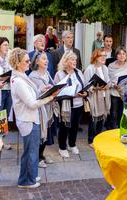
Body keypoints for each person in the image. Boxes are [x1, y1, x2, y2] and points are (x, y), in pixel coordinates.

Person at [9, 48, 59, 188]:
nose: (29, 62)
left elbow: (32, 95)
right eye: (26, 61)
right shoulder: (18, 80)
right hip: (28, 119)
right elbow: (31, 103)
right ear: (17, 63)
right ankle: (27, 181)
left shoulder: (22, 76)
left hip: (30, 118)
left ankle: (29, 176)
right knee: (31, 152)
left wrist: (43, 91)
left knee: (30, 151)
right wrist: (50, 97)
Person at [54, 51, 87, 157]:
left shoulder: (78, 72)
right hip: (66, 105)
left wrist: (85, 92)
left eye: (75, 60)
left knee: (75, 126)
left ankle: (72, 145)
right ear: (66, 61)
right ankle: (62, 147)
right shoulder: (60, 74)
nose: (75, 62)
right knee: (64, 126)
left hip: (79, 104)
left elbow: (84, 85)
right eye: (72, 59)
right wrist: (72, 94)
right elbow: (56, 91)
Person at [29, 52, 58, 167]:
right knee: (40, 134)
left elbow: (52, 85)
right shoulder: (33, 76)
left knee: (46, 133)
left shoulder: (47, 73)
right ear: (37, 61)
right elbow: (33, 95)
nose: (47, 61)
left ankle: (41, 155)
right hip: (40, 110)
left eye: (47, 59)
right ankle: (37, 158)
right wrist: (43, 90)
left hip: (48, 107)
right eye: (44, 59)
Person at [84, 48, 111, 147]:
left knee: (102, 118)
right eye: (102, 56)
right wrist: (95, 88)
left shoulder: (105, 68)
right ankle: (91, 140)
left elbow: (108, 80)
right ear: (96, 57)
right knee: (93, 119)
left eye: (105, 56)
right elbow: (86, 85)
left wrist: (108, 85)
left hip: (104, 96)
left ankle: (98, 138)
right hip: (94, 97)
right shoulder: (90, 69)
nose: (104, 58)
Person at [108, 46, 127, 129]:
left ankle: (121, 131)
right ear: (116, 55)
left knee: (123, 114)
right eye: (119, 54)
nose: (121, 56)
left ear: (126, 56)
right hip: (114, 93)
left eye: (123, 54)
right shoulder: (111, 66)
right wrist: (113, 84)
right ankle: (112, 132)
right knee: (113, 114)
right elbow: (107, 80)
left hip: (124, 94)